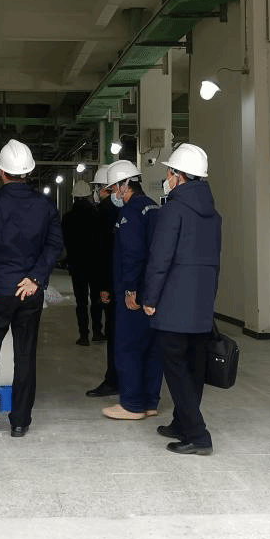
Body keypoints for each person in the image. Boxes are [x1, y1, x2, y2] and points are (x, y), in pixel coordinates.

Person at [0, 139, 64, 438]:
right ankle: (20, 422)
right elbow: (54, 245)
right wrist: (35, 278)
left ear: (0, 171)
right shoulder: (45, 205)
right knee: (25, 356)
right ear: (28, 172)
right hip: (29, 293)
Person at [142, 143, 221, 456]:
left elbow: (160, 259)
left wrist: (150, 297)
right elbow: (215, 262)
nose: (166, 177)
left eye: (169, 172)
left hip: (174, 305)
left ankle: (198, 435)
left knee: (175, 369)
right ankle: (180, 422)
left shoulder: (173, 210)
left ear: (179, 175)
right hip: (201, 305)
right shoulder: (213, 215)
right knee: (194, 368)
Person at [101, 160, 163, 421]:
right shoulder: (153, 207)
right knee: (151, 349)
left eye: (113, 188)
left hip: (136, 294)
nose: (113, 193)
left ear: (125, 185)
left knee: (128, 347)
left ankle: (132, 404)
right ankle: (149, 402)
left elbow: (133, 253)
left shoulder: (130, 212)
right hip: (154, 291)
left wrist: (130, 290)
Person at [85, 165, 119, 398]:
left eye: (97, 188)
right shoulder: (125, 208)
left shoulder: (105, 211)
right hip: (125, 281)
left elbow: (103, 251)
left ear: (104, 187)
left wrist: (103, 286)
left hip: (111, 281)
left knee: (114, 333)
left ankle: (113, 380)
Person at [61, 179, 101, 345]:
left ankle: (84, 336)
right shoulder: (97, 215)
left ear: (74, 196)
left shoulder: (67, 218)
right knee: (96, 299)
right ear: (89, 195)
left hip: (77, 265)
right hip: (95, 264)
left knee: (81, 302)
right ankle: (97, 332)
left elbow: (64, 241)